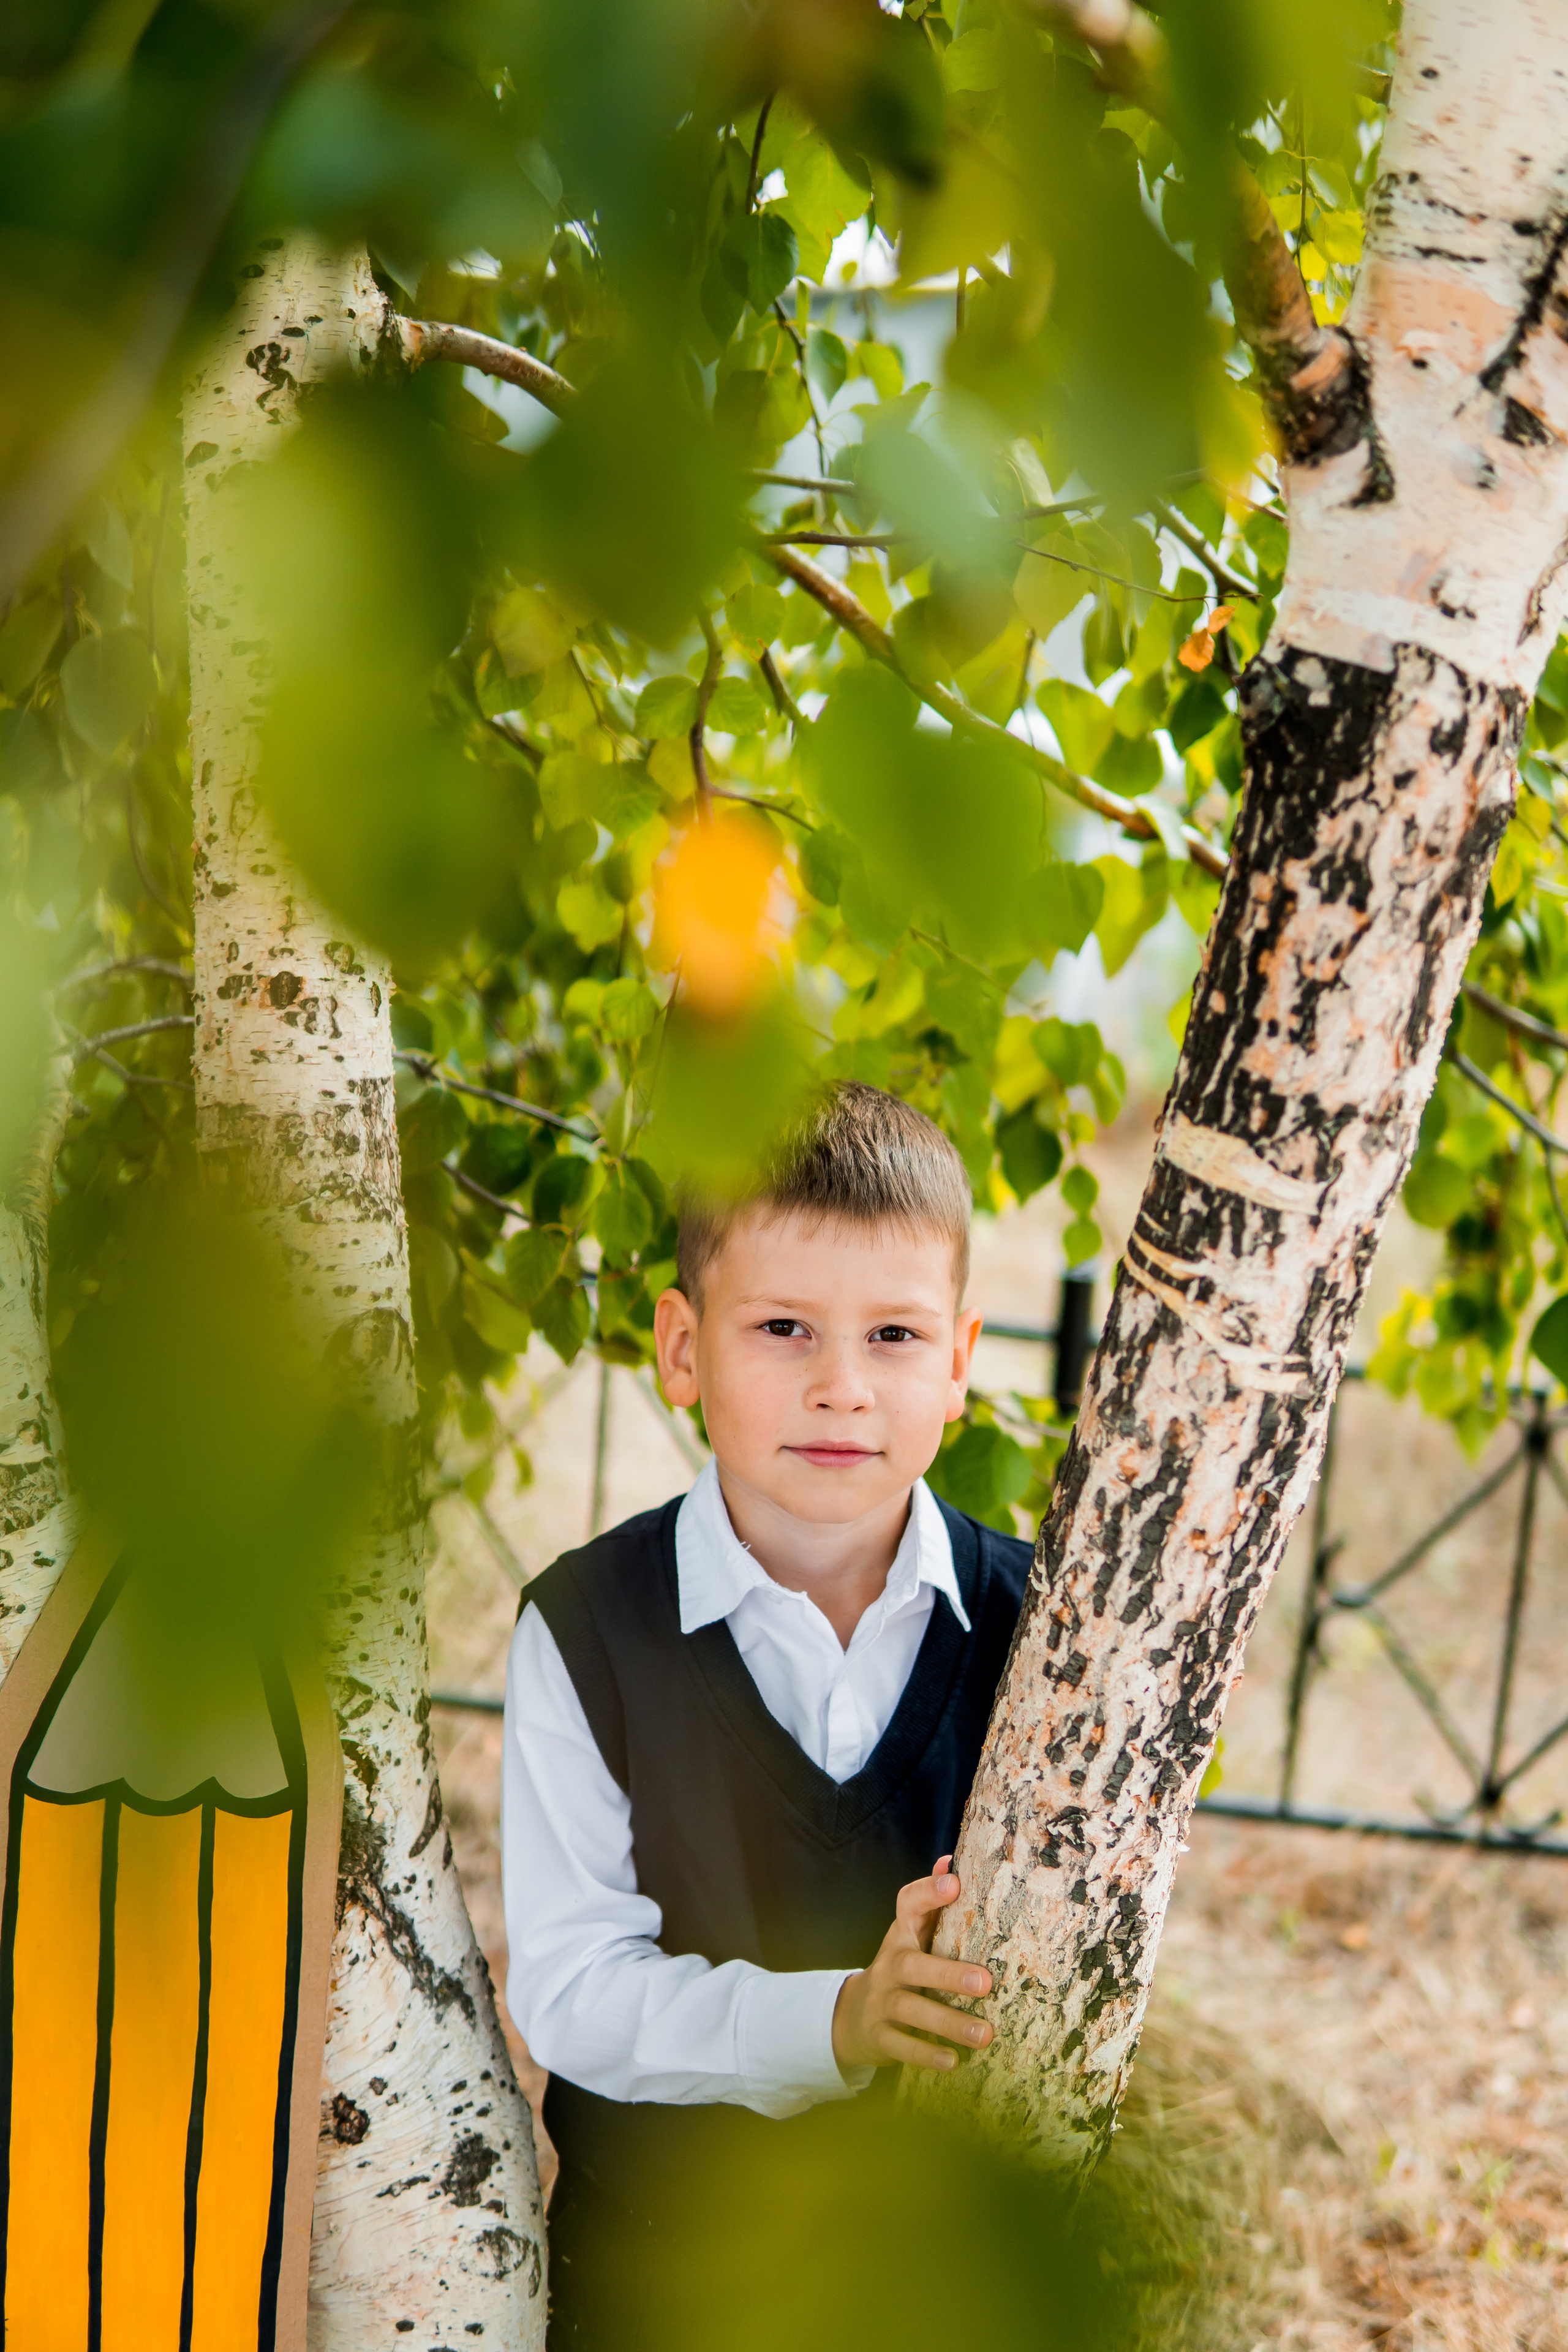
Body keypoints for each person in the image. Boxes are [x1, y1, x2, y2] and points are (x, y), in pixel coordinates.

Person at [501, 1082, 1031, 2342]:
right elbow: (574, 1992)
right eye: (785, 1327)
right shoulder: (586, 1630)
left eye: (894, 1338)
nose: (842, 1388)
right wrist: (840, 2019)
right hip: (656, 2279)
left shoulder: (1038, 1632)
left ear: (959, 1363)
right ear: (681, 1349)